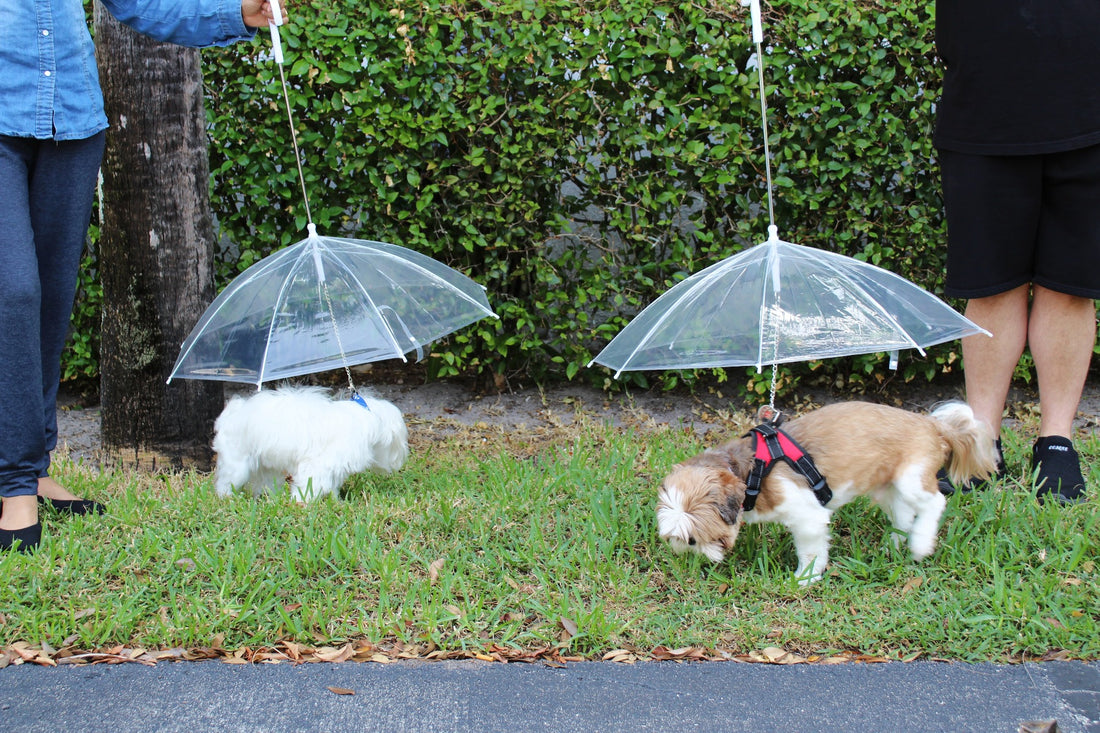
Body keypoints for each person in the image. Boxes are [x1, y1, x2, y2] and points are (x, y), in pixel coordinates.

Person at [0, 0, 286, 552]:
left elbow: (139, 2)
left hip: (71, 120)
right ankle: (13, 486)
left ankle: (34, 468)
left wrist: (235, 15)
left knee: (52, 298)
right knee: (13, 294)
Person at [935, 0, 1099, 504]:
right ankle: (982, 443)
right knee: (990, 284)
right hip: (982, 109)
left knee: (1070, 286)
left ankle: (1057, 442)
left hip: (1091, 108)